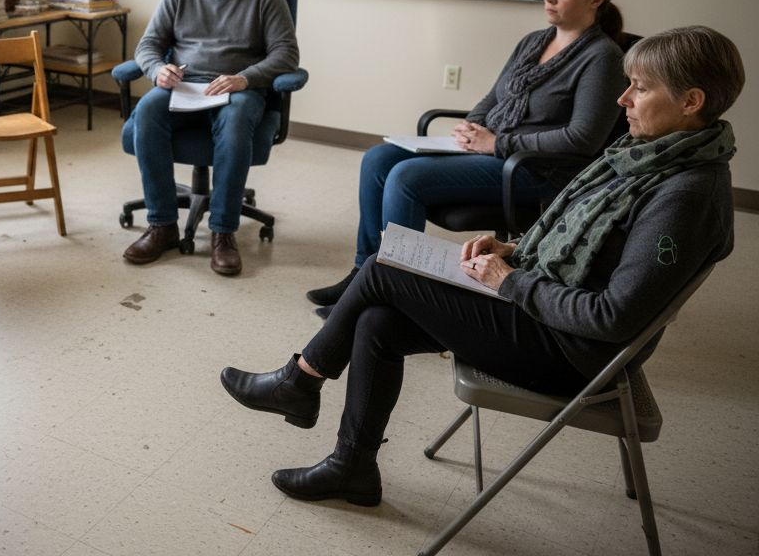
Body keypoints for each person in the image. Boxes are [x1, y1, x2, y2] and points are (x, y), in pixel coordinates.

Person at [220, 26, 743, 505]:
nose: (623, 98)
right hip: (546, 308)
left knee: (383, 269)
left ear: (690, 101)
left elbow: (614, 317)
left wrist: (510, 280)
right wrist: (515, 251)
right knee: (379, 320)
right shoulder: (649, 154)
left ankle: (300, 381)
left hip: (569, 352)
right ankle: (351, 466)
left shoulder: (685, 194)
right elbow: (595, 247)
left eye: (640, 88)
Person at [308, 0, 629, 315]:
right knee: (378, 158)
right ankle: (363, 271)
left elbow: (582, 138)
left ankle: (392, 295)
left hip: (537, 170)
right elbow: (494, 96)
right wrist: (472, 125)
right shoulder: (534, 41)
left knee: (405, 177)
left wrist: (498, 142)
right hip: (492, 151)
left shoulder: (602, 57)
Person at [123, 0, 300, 276]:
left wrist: (245, 78)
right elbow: (147, 46)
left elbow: (286, 54)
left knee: (235, 124)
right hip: (187, 84)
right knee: (148, 111)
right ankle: (162, 226)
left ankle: (223, 232)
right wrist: (159, 70)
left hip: (237, 88)